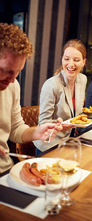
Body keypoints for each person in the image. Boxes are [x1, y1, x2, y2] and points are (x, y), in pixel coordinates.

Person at [0, 23, 62, 173]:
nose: (13, 79)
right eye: (6, 71)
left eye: (18, 72)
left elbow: (15, 128)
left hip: (5, 170)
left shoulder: (13, 85)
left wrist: (37, 132)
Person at [34, 39, 87, 152]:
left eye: (76, 60)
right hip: (49, 144)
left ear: (84, 62)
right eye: (66, 59)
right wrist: (61, 126)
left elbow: (78, 113)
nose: (71, 64)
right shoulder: (51, 85)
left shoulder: (82, 79)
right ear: (62, 59)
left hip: (70, 141)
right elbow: (43, 123)